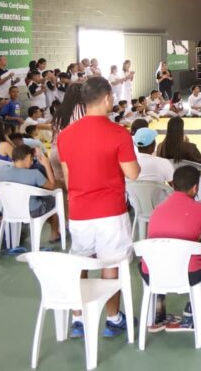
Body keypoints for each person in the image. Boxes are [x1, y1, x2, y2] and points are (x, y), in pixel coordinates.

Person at [57, 76, 140, 338]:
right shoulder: (118, 133)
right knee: (110, 264)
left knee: (80, 261)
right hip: (110, 211)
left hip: (79, 211)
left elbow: (68, 178)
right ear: (106, 98)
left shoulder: (65, 135)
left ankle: (78, 318)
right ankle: (113, 318)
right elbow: (133, 173)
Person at [142, 165, 201, 333]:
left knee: (157, 259)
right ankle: (194, 309)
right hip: (187, 273)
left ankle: (158, 315)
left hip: (153, 271)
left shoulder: (157, 209)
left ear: (173, 185)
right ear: (195, 188)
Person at [0, 143, 62, 245]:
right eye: (31, 159)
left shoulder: (2, 170)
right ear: (27, 157)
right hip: (31, 211)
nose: (31, 162)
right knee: (53, 200)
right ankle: (54, 234)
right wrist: (47, 165)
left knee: (42, 202)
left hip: (8, 210)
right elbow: (53, 187)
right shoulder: (34, 174)